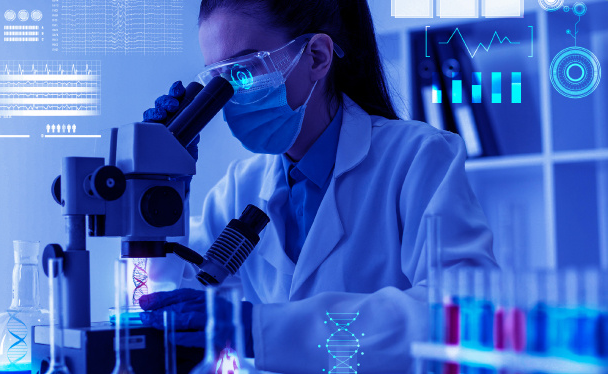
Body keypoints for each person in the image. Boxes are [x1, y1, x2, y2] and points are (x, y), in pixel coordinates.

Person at [140, 0, 497, 373]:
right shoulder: (238, 188)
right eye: (217, 80)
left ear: (316, 57)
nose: (229, 96)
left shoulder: (417, 158)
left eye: (243, 71)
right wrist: (156, 193)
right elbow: (171, 311)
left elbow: (467, 312)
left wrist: (261, 329)